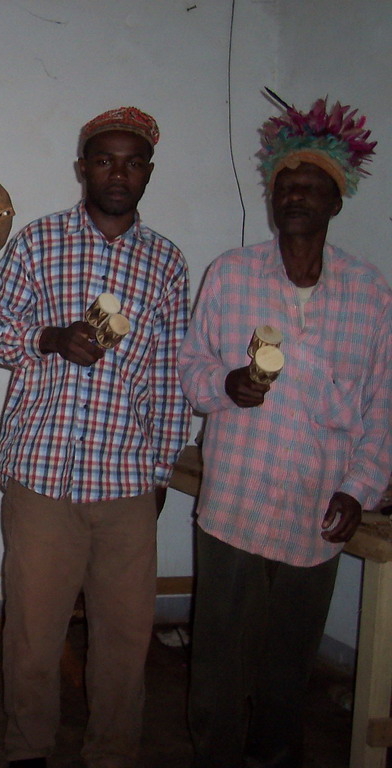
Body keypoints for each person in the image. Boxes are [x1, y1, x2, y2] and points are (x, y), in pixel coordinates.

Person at [0, 107, 191, 768]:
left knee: (126, 639)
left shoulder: (166, 262)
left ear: (148, 172)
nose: (117, 173)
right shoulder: (39, 242)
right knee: (34, 635)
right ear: (82, 169)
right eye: (104, 160)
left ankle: (113, 753)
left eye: (131, 162)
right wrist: (49, 338)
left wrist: (159, 474)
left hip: (126, 482)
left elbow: (170, 376)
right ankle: (28, 749)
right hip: (43, 477)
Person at [180, 96, 390, 768]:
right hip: (235, 506)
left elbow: (382, 405)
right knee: (217, 665)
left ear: (335, 200)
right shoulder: (231, 275)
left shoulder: (370, 293)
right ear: (272, 200)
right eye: (286, 186)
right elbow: (191, 369)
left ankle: (274, 755)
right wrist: (223, 387)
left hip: (314, 511)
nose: (296, 195)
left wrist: (360, 488)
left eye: (312, 186)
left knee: (288, 670)